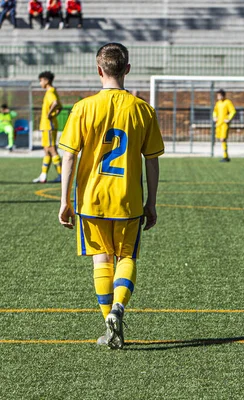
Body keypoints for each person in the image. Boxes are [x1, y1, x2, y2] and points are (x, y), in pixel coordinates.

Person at [58, 43, 164, 350]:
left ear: (99, 70)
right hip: (128, 200)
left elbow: (68, 158)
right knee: (126, 257)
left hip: (91, 199)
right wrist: (152, 202)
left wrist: (65, 201)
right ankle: (118, 308)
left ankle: (110, 325)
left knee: (101, 261)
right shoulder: (143, 109)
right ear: (127, 70)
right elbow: (152, 160)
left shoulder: (83, 108)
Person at [33, 71, 62, 183]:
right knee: (46, 150)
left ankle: (61, 175)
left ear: (46, 80)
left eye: (40, 80)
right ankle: (43, 176)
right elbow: (60, 107)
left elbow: (55, 103)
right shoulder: (51, 92)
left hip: (48, 126)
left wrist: (49, 114)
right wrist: (54, 113)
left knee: (51, 149)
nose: (40, 83)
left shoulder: (50, 92)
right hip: (47, 126)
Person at [213, 89, 236, 162]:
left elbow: (233, 111)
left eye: (220, 95)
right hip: (218, 124)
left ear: (223, 95)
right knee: (220, 139)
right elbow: (215, 111)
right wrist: (215, 116)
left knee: (223, 139)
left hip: (224, 124)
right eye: (218, 95)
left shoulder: (227, 102)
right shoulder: (218, 103)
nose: (218, 97)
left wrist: (229, 118)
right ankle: (225, 156)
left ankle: (225, 156)